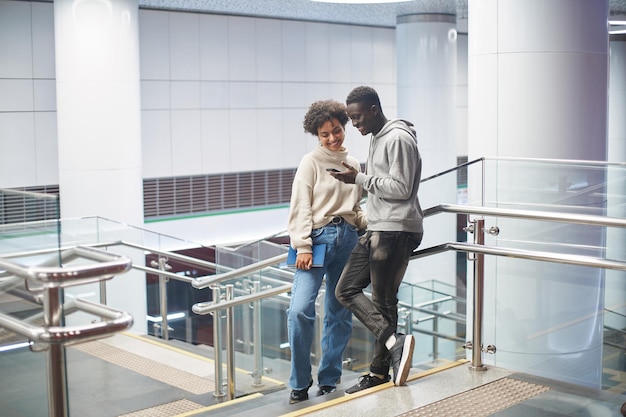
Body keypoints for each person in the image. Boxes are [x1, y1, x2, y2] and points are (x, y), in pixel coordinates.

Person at [331, 86, 424, 394]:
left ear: (373, 109)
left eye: (357, 118)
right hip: (379, 227)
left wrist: (358, 178)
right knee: (345, 289)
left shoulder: (397, 138)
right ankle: (394, 345)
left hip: (395, 229)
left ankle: (378, 372)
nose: (354, 125)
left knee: (384, 302)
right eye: (351, 119)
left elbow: (401, 188)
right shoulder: (377, 138)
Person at [286, 99, 367, 404]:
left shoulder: (354, 164)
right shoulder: (311, 162)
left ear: (344, 128)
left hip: (347, 239)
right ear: (316, 135)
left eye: (336, 131)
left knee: (338, 312)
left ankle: (329, 380)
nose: (332, 138)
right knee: (299, 310)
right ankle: (299, 382)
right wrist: (303, 245)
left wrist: (377, 218)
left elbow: (355, 208)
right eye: (324, 134)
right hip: (316, 241)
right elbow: (300, 206)